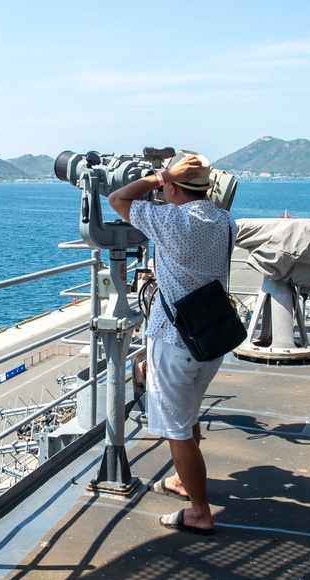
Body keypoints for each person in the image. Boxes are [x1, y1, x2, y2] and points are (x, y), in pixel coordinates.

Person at [107, 152, 236, 536]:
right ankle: (183, 481)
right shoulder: (224, 219)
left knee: (177, 430)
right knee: (190, 415)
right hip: (210, 335)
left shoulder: (169, 220)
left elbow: (117, 200)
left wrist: (154, 176)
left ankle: (199, 511)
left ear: (171, 187)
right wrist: (165, 179)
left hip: (174, 339)